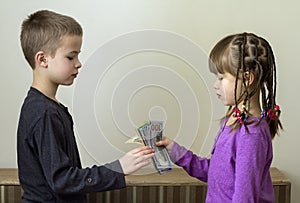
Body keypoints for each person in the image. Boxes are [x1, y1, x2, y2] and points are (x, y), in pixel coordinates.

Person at [17, 10, 154, 203]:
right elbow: (62, 181)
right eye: (71, 57)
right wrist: (119, 167)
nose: (78, 64)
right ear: (42, 59)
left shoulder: (48, 107)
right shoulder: (44, 112)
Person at [157, 32, 282, 203]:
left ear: (247, 79)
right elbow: (216, 174)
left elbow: (244, 199)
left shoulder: (251, 135)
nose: (215, 85)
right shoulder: (233, 121)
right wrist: (174, 150)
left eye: (221, 78)